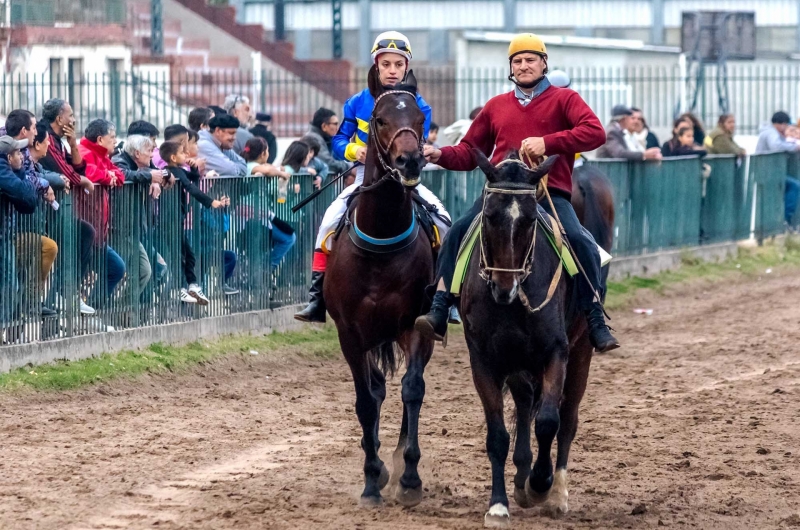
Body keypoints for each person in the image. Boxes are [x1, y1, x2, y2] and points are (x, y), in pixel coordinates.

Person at [414, 33, 619, 353]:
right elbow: (470, 151)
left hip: (547, 194)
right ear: (511, 67)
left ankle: (594, 317)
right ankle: (441, 307)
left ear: (544, 63)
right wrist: (441, 154)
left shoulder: (566, 99)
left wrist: (548, 142)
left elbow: (595, 132)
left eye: (530, 60)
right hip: (498, 193)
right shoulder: (496, 106)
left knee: (581, 242)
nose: (524, 66)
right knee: (457, 231)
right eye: (517, 61)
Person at [295, 31, 452, 323]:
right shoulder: (356, 102)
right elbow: (339, 141)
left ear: (407, 67)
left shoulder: (420, 105)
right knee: (328, 222)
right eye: (386, 64)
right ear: (376, 67)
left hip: (407, 180)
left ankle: (445, 298)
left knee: (444, 223)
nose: (392, 70)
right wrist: (355, 150)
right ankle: (317, 298)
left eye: (398, 64)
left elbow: (417, 143)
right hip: (364, 179)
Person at [39, 98, 99, 315]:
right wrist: (80, 180)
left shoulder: (59, 140)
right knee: (67, 246)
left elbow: (78, 168)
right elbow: (64, 171)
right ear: (59, 118)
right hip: (47, 209)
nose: (74, 119)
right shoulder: (45, 135)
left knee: (84, 233)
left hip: (62, 205)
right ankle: (60, 297)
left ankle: (67, 294)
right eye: (71, 115)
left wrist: (73, 143)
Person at [161, 140, 232, 304]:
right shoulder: (171, 171)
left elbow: (193, 177)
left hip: (176, 221)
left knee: (189, 255)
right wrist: (210, 201)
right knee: (179, 257)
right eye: (182, 152)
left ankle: (192, 286)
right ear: (173, 157)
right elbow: (191, 187)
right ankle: (178, 289)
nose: (186, 155)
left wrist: (193, 167)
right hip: (169, 222)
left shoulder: (179, 170)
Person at [78, 119, 127, 308]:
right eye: (112, 137)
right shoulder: (84, 152)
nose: (115, 141)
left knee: (116, 268)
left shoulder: (103, 155)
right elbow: (89, 173)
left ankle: (93, 310)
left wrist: (111, 176)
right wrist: (108, 176)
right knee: (71, 279)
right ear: (100, 139)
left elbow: (119, 173)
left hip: (98, 232)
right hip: (84, 229)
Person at [112, 134, 169, 292]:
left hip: (132, 228)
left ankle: (126, 309)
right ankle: (116, 309)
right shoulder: (119, 160)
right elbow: (122, 174)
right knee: (132, 270)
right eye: (149, 151)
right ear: (137, 153)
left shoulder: (141, 165)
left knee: (147, 270)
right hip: (119, 228)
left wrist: (166, 175)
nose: (152, 155)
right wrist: (149, 176)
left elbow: (162, 172)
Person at [240, 137, 297, 279]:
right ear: (263, 153)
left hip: (262, 214)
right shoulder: (250, 166)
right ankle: (263, 273)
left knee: (286, 237)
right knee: (257, 250)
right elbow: (265, 170)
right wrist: (280, 173)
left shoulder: (252, 165)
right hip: (250, 216)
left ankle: (264, 271)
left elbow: (268, 169)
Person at [756, 111, 800, 228]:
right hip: (768, 171)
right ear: (781, 124)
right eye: (785, 125)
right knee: (795, 186)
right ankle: (785, 219)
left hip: (770, 171)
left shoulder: (770, 132)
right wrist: (795, 147)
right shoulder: (771, 133)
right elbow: (776, 146)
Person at [596, 105, 662, 160]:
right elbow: (620, 153)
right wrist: (644, 154)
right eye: (631, 118)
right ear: (624, 119)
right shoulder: (612, 132)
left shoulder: (618, 131)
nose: (633, 121)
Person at [306, 108, 350, 176]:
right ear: (324, 126)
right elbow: (328, 163)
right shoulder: (313, 139)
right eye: (335, 124)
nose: (337, 128)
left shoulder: (327, 139)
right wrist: (349, 169)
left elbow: (339, 158)